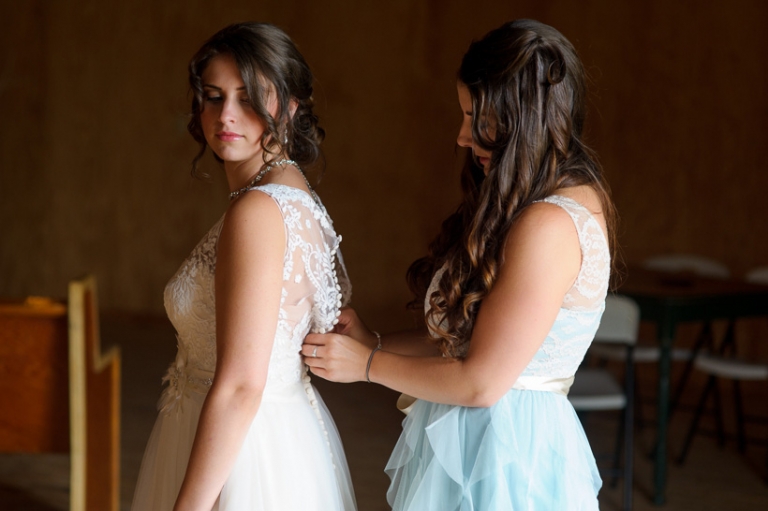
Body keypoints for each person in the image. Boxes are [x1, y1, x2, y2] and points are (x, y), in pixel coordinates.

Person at [302, 19, 616, 510]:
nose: (464, 136)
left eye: (478, 119)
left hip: (507, 460)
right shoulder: (533, 202)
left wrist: (367, 366)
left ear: (524, 118)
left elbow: (481, 380)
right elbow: (472, 341)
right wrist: (375, 341)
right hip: (482, 440)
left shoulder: (549, 224)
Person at [131, 22, 356, 511]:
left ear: (291, 107)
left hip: (241, 456)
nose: (226, 115)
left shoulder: (258, 212)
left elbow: (240, 385)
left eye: (250, 97)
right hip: (277, 437)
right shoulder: (294, 194)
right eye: (213, 96)